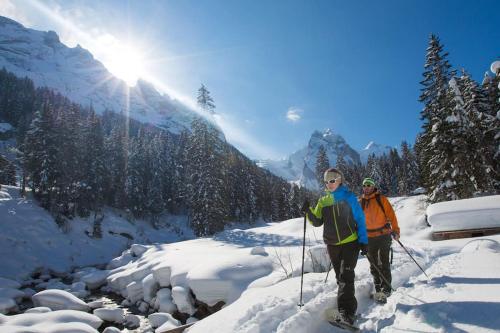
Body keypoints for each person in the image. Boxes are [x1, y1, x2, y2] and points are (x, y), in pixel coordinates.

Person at [302, 167, 368, 325]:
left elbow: (360, 220)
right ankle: (346, 308)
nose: (329, 184)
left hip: (350, 243)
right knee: (340, 277)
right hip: (332, 245)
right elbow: (317, 222)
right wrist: (308, 212)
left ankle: (347, 313)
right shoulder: (323, 201)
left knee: (346, 276)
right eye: (326, 181)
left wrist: (364, 241)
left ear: (340, 180)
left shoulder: (349, 197)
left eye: (332, 180)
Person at [359, 177, 400, 304]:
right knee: (373, 264)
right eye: (365, 185)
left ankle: (386, 289)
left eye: (369, 185)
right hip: (369, 238)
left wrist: (396, 230)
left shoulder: (381, 199)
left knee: (384, 262)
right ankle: (378, 288)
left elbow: (391, 215)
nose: (366, 187)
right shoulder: (360, 202)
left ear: (373, 186)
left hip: (383, 235)